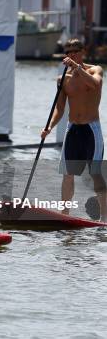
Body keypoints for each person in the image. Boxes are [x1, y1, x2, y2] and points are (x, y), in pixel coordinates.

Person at [41, 38, 106, 220]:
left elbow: (95, 84)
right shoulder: (63, 79)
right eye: (68, 52)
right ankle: (65, 215)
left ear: (82, 52)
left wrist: (77, 68)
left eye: (75, 51)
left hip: (91, 130)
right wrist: (49, 127)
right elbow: (60, 108)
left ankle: (104, 218)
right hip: (73, 130)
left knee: (95, 173)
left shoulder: (95, 70)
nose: (71, 55)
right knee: (67, 175)